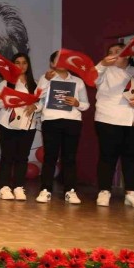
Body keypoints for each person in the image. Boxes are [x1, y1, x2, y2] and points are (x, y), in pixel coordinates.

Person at [36, 50, 89, 204]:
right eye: (57, 60)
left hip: (72, 121)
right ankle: (45, 189)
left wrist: (77, 103)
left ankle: (70, 190)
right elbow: (37, 96)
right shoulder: (45, 78)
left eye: (64, 59)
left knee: (69, 158)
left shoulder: (78, 81)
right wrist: (46, 81)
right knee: (50, 157)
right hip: (51, 121)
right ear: (52, 63)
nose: (61, 63)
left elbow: (86, 104)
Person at [94, 43, 134, 208]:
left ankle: (131, 192)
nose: (113, 54)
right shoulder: (104, 70)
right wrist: (102, 64)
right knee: (107, 157)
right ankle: (104, 191)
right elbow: (92, 78)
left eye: (118, 51)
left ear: (127, 54)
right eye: (110, 52)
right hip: (108, 119)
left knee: (132, 158)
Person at [0, 53, 40, 202]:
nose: (21, 65)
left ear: (28, 65)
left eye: (24, 62)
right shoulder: (5, 83)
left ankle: (19, 187)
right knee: (7, 156)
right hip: (6, 124)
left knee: (22, 157)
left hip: (27, 125)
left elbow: (42, 102)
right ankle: (4, 188)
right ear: (12, 65)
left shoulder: (35, 84)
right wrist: (2, 100)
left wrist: (35, 106)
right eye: (17, 62)